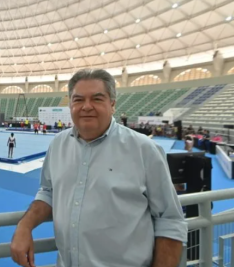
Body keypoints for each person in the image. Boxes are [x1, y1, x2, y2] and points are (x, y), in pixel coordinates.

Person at [10, 69, 186, 267]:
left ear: (112, 104)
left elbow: (169, 220)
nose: (86, 106)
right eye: (78, 100)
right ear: (70, 105)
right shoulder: (58, 145)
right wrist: (25, 226)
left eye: (97, 98)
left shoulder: (144, 150)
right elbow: (49, 192)